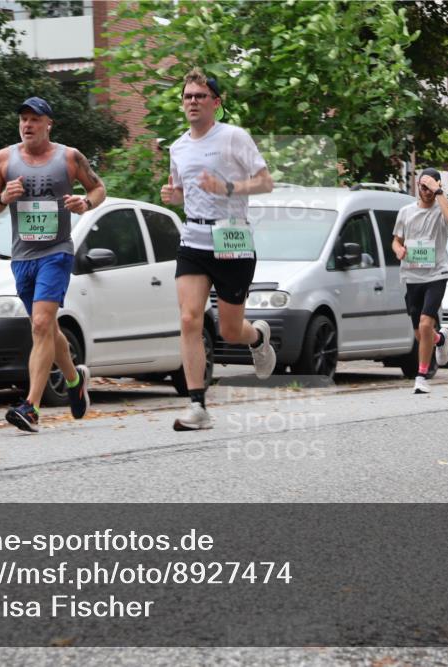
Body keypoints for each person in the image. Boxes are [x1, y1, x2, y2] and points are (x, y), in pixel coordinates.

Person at [161, 68, 275, 431]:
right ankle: (197, 405)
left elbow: (265, 182)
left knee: (230, 330)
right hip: (193, 239)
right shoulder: (178, 147)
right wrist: (173, 196)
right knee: (189, 318)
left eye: (200, 96)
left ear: (216, 102)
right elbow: (184, 193)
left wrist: (227, 187)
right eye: (187, 96)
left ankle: (257, 338)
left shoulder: (233, 137)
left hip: (232, 238)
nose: (193, 101)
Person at [0, 96, 106, 431]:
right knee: (48, 328)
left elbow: (98, 189)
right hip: (22, 258)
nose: (28, 125)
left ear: (48, 124)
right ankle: (74, 380)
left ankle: (31, 407)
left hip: (56, 253)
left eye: (35, 119)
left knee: (39, 324)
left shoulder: (69, 157)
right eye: (23, 119)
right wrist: (3, 197)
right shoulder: (3, 159)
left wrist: (84, 203)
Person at [391, 168, 448, 394]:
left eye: (431, 188)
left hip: (437, 274)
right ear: (418, 187)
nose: (426, 192)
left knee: (427, 323)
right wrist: (399, 250)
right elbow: (396, 240)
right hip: (412, 275)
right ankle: (440, 339)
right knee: (421, 333)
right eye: (423, 187)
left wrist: (439, 192)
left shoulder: (441, 209)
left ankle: (421, 377)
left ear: (437, 187)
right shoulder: (406, 212)